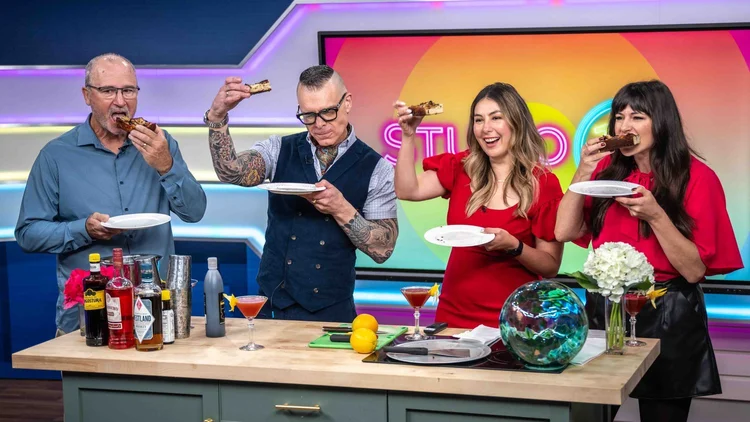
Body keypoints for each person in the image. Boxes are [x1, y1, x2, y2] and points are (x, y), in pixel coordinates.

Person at [555, 80, 743, 422]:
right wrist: (583, 171)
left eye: (637, 117)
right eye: (619, 117)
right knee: (586, 415)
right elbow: (564, 231)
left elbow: (694, 271)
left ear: (662, 122)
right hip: (604, 309)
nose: (624, 127)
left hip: (668, 313)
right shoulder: (605, 174)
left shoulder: (698, 178)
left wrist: (656, 215)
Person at [15, 53, 207, 336]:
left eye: (128, 90)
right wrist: (84, 229)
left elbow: (195, 212)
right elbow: (28, 234)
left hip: (156, 310)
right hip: (89, 315)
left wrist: (166, 165)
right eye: (108, 91)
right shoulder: (56, 156)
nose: (120, 102)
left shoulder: (160, 143)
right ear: (87, 95)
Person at [204, 65, 398, 322]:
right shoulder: (278, 148)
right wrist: (217, 117)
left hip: (333, 312)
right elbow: (232, 173)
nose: (319, 124)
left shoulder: (377, 168)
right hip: (273, 307)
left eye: (328, 112)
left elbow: (383, 249)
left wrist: (341, 208)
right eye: (308, 115)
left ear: (347, 102)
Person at [393, 82, 564, 329]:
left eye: (496, 118)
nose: (486, 129)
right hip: (453, 315)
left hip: (514, 320)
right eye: (478, 120)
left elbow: (550, 266)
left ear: (517, 122)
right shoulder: (461, 167)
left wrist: (514, 246)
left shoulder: (544, 183)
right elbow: (407, 190)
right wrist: (409, 136)